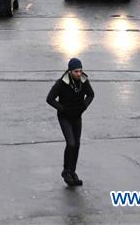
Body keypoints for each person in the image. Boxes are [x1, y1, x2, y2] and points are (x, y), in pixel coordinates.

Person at [46, 57, 94, 187]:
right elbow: (49, 99)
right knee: (71, 143)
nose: (79, 74)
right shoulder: (62, 83)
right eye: (76, 71)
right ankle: (66, 171)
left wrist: (84, 106)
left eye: (80, 70)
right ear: (70, 71)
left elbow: (91, 95)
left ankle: (73, 172)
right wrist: (63, 109)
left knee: (77, 144)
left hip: (77, 115)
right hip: (64, 116)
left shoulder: (83, 80)